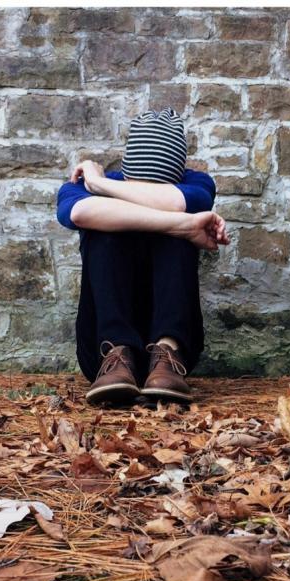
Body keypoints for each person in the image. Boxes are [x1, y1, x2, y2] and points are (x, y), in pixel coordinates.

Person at [56, 107, 230, 405]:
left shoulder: (198, 184)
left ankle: (166, 352)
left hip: (175, 347)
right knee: (106, 229)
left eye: (157, 188)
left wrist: (101, 186)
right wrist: (186, 227)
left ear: (178, 175)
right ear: (127, 173)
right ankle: (118, 352)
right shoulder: (78, 189)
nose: (146, 192)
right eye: (138, 185)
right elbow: (80, 213)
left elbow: (176, 204)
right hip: (100, 347)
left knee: (177, 231)